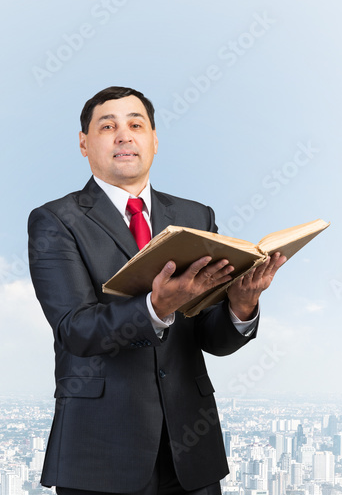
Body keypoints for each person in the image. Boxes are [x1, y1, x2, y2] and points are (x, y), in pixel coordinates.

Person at [27, 86, 286, 494]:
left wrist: (241, 304)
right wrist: (155, 307)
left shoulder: (195, 215)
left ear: (154, 141)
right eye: (107, 126)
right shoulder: (55, 221)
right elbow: (75, 329)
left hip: (191, 451)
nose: (124, 135)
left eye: (136, 125)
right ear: (84, 143)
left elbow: (209, 339)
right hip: (101, 453)